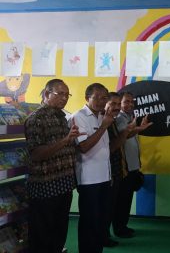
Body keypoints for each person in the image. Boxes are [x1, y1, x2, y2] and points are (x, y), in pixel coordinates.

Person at [24, 79, 81, 253]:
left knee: (59, 231)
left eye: (67, 94)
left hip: (64, 185)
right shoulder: (35, 119)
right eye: (60, 94)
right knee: (42, 235)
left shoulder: (63, 117)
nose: (65, 98)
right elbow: (36, 154)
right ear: (47, 94)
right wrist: (65, 140)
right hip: (45, 187)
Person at [71, 83, 114, 253]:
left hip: (104, 177)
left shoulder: (101, 116)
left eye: (104, 98)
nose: (101, 101)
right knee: (89, 221)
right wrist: (104, 126)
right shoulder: (79, 116)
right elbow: (84, 147)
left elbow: (104, 149)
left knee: (100, 221)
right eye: (96, 97)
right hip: (89, 179)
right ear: (86, 98)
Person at [113, 91, 152, 238]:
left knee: (126, 198)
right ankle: (118, 228)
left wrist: (137, 128)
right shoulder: (118, 118)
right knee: (121, 200)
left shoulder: (129, 117)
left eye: (132, 102)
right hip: (124, 167)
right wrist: (138, 129)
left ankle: (122, 225)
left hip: (132, 166)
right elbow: (125, 134)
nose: (129, 104)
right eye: (126, 102)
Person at [103, 92, 136, 247]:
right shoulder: (105, 121)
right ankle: (105, 235)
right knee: (107, 207)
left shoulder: (114, 121)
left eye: (118, 104)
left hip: (118, 170)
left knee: (113, 205)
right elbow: (110, 148)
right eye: (114, 104)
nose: (116, 107)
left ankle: (111, 232)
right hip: (104, 173)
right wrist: (129, 132)